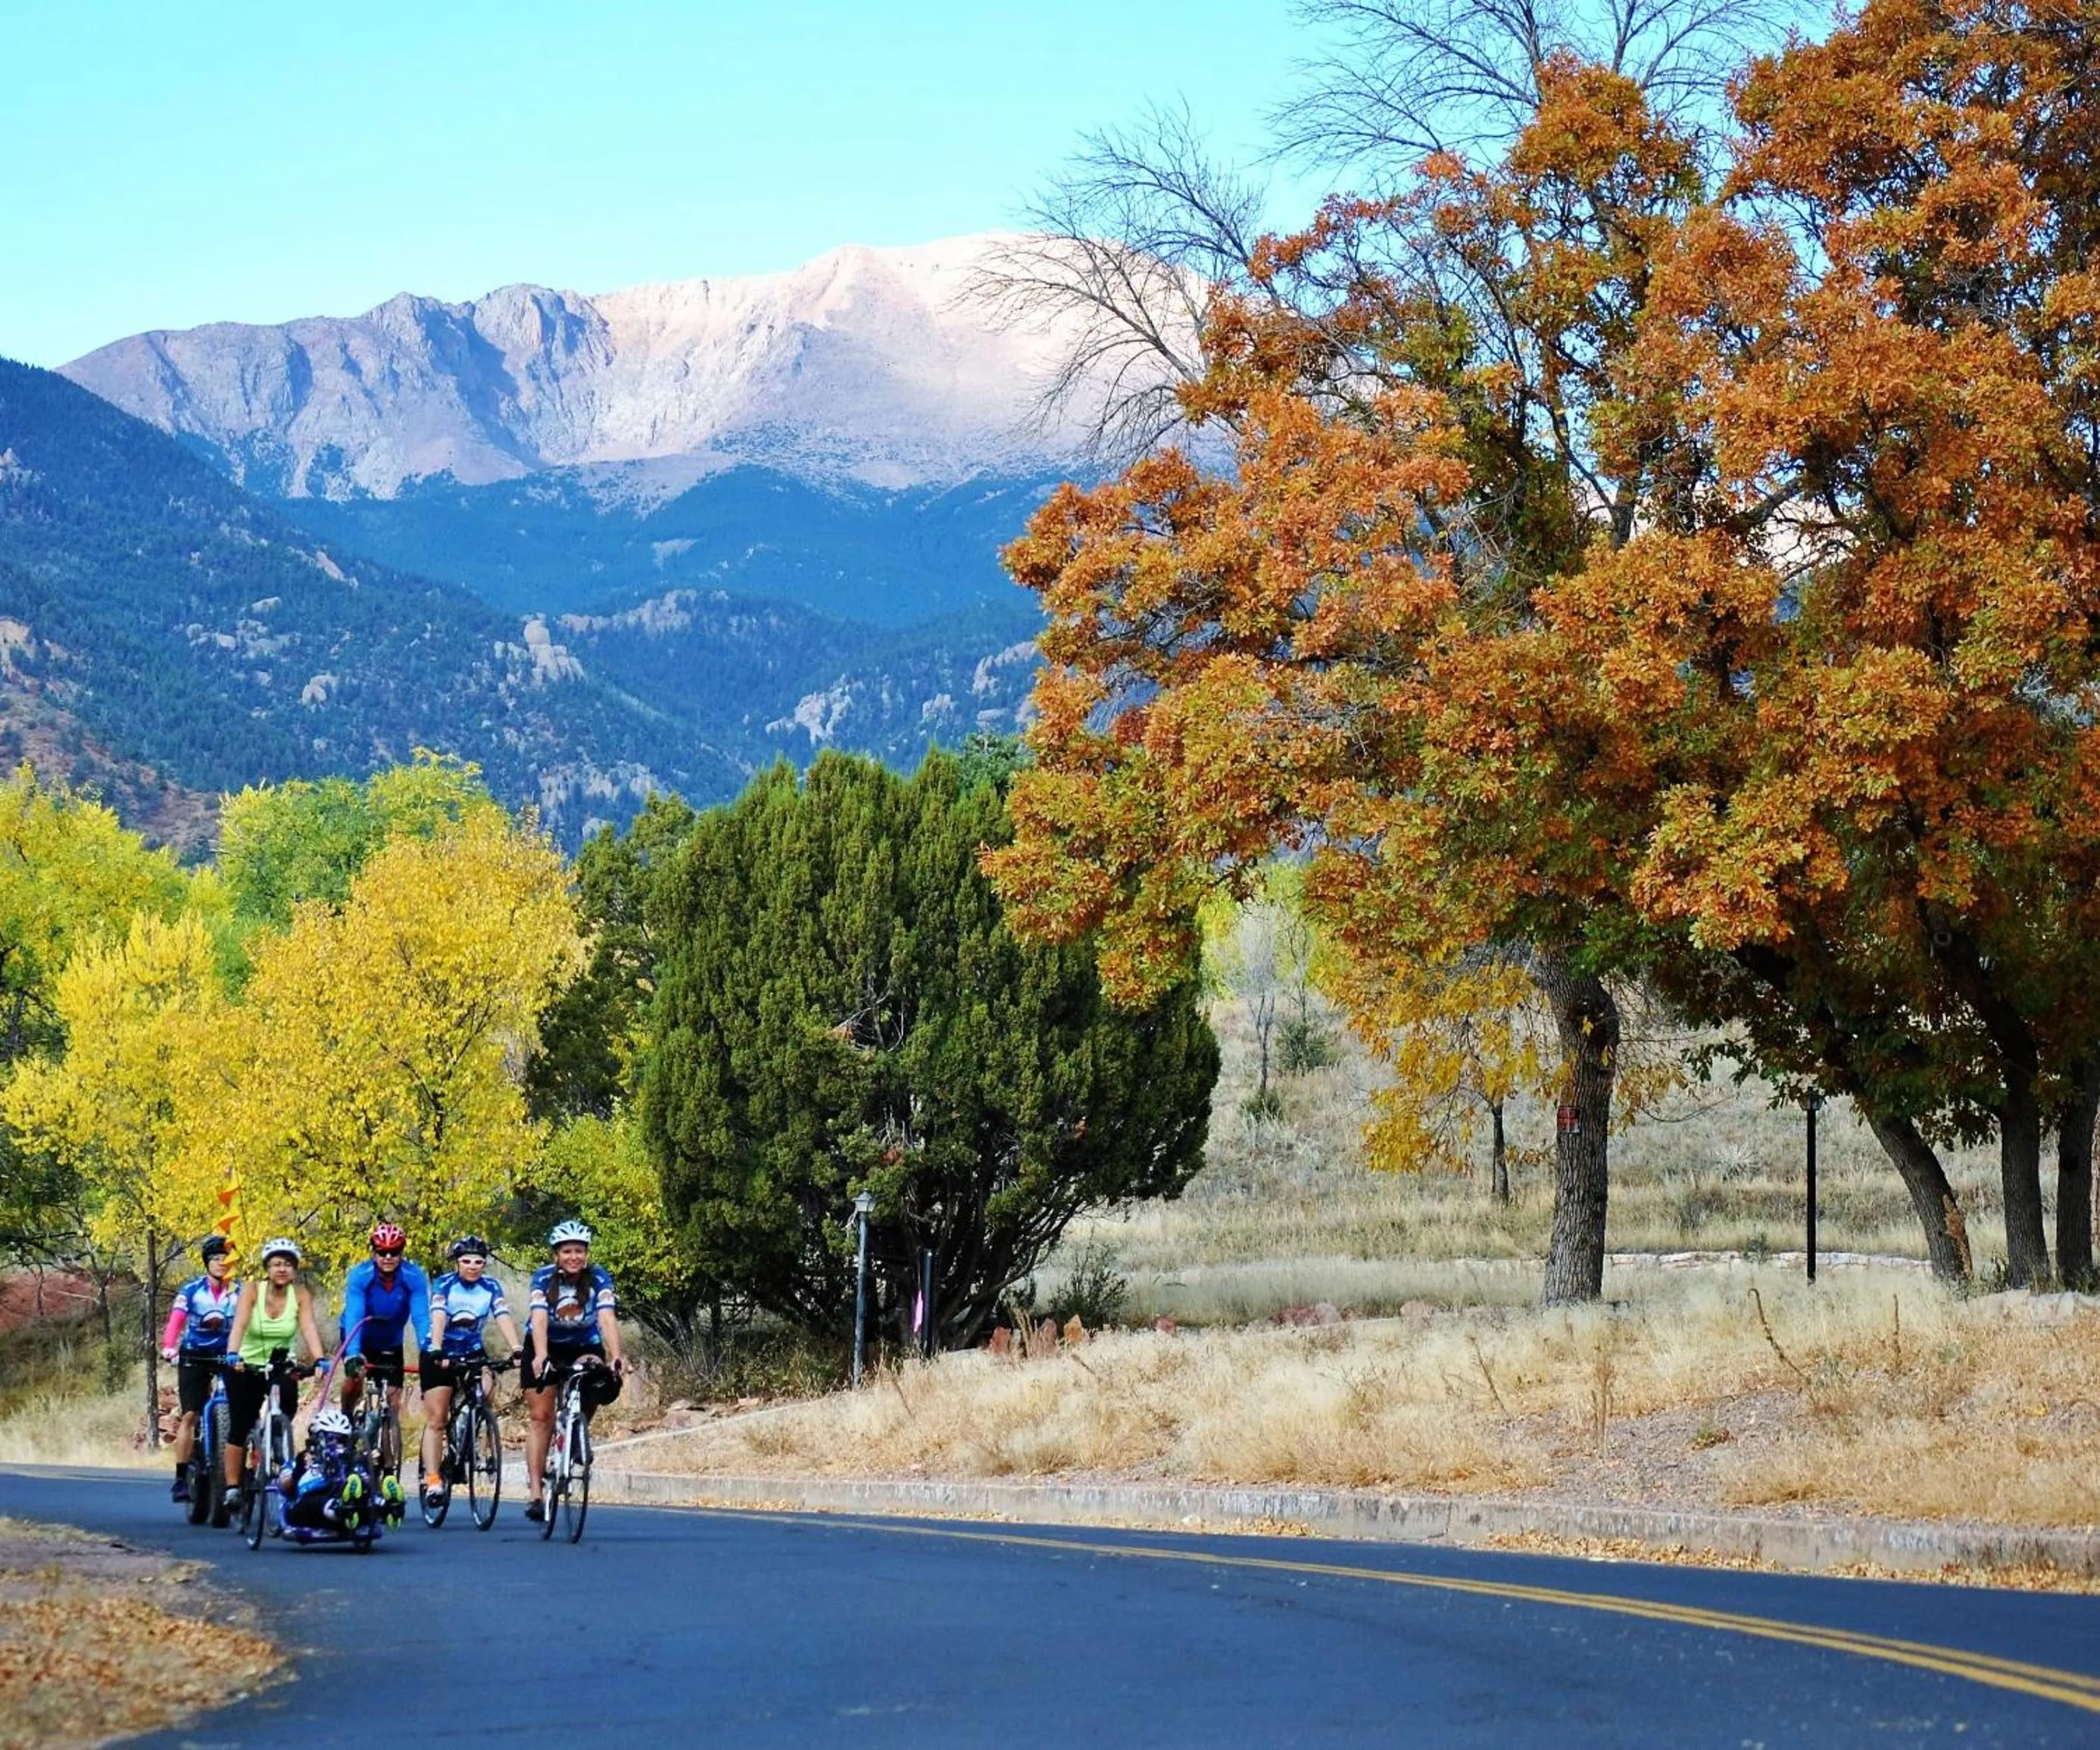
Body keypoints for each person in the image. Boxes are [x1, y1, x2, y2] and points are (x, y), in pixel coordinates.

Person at [521, 1220, 626, 1522]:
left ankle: (578, 1429)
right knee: (541, 1417)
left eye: (579, 1251)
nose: (574, 1257)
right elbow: (539, 1319)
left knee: (597, 1378)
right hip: (545, 1343)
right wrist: (541, 1354)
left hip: (583, 1344)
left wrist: (617, 1354)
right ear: (557, 1254)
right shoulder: (542, 1278)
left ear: (587, 1253)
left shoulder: (598, 1278)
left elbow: (606, 1317)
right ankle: (536, 1493)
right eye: (567, 1251)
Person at [418, 1234, 523, 1510]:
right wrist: (438, 1347)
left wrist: (516, 1347)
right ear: (457, 1262)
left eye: (479, 1261)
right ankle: (432, 1479)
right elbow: (439, 1315)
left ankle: (473, 1430)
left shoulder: (490, 1286)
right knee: (438, 1419)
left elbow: (502, 1315)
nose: (473, 1266)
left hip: (472, 1350)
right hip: (439, 1351)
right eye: (467, 1261)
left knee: (487, 1388)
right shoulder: (444, 1284)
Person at [223, 1237, 329, 1504]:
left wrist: (320, 1359)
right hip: (245, 1364)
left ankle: (277, 1440)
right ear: (267, 1268)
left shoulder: (301, 1295)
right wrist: (233, 1354)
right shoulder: (252, 1291)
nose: (282, 1269)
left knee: (287, 1405)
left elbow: (308, 1328)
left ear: (294, 1269)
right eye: (276, 1264)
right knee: (240, 1424)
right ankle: (233, 1487)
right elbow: (239, 1325)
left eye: (288, 1264)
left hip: (281, 1364)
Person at [337, 1221, 432, 1475]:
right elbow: (355, 1315)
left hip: (391, 1341)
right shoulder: (360, 1276)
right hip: (359, 1335)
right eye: (382, 1252)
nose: (388, 1257)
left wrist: (429, 1349)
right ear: (374, 1252)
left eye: (394, 1252)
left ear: (401, 1252)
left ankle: (389, 1466)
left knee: (392, 1401)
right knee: (355, 1377)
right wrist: (354, 1354)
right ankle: (346, 1414)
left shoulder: (413, 1277)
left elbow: (421, 1318)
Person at [161, 1234, 240, 1506]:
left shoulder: (241, 1292)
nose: (221, 1263)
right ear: (207, 1262)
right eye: (216, 1259)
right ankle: (181, 1478)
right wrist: (170, 1347)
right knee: (190, 1415)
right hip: (194, 1355)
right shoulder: (191, 1291)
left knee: (243, 1413)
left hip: (229, 1357)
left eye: (226, 1259)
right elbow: (176, 1322)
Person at [277, 1406, 390, 1535]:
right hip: (305, 1511)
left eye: (341, 1440)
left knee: (364, 1489)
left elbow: (369, 1482)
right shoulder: (302, 1460)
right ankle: (338, 1507)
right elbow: (284, 1488)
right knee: (323, 1503)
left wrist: (374, 1469)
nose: (337, 1444)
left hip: (350, 1511)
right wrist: (299, 1471)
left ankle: (385, 1505)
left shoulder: (350, 1461)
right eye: (331, 1439)